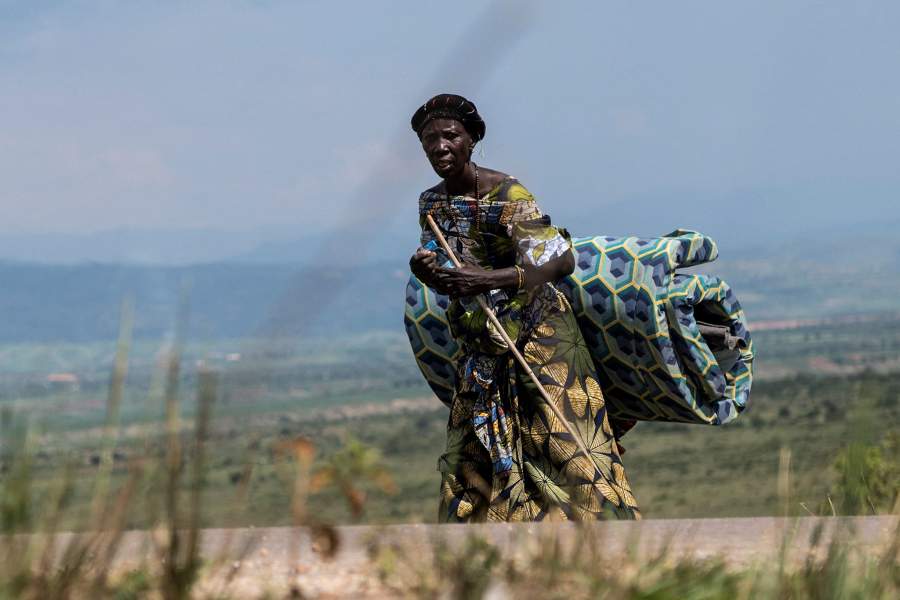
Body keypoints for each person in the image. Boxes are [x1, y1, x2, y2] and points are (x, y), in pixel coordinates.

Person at [409, 94, 640, 521]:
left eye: (450, 136)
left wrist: (492, 279)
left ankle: (610, 541)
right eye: (429, 140)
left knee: (569, 445)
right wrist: (426, 271)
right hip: (482, 345)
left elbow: (560, 261)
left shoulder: (508, 194)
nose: (440, 146)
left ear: (472, 140)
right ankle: (491, 554)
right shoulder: (432, 204)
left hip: (541, 338)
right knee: (473, 457)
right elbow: (445, 268)